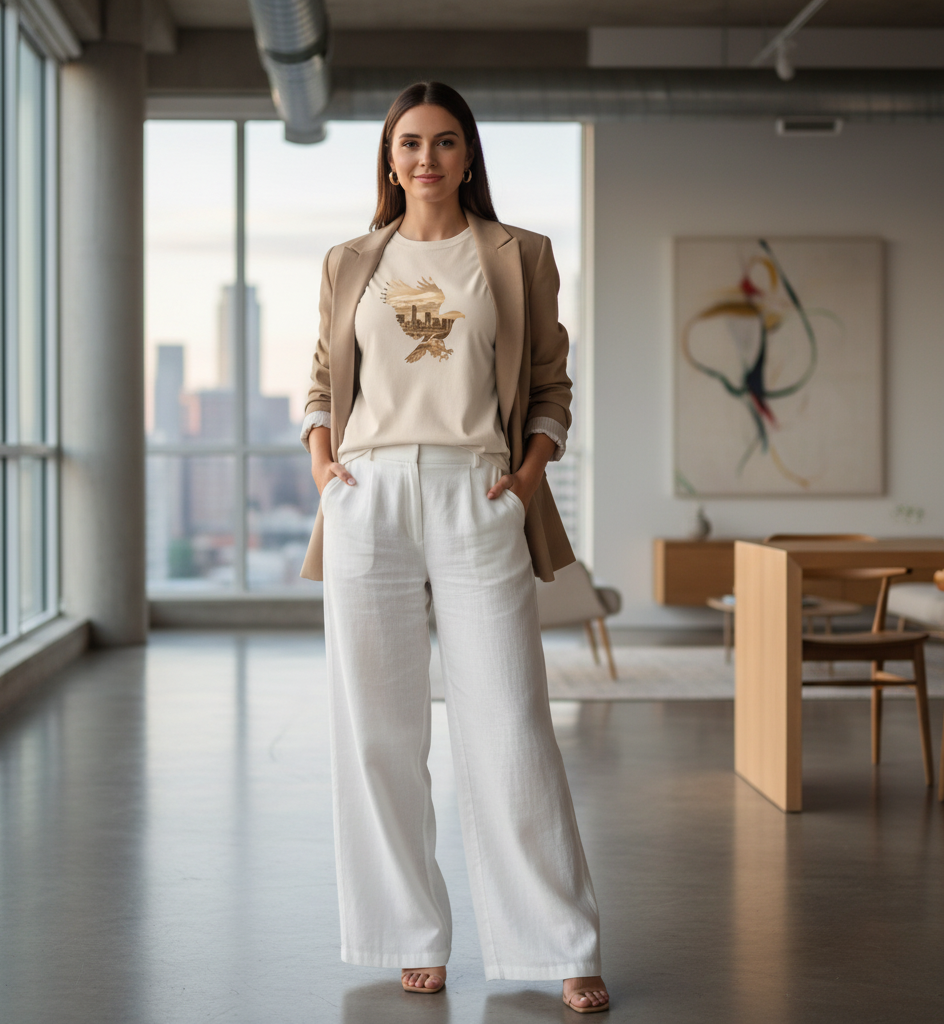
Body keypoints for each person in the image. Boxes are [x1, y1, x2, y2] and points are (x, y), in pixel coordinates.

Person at [299, 81, 609, 1014]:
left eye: (441, 142)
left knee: (510, 721)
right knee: (376, 729)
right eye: (408, 144)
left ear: (468, 153)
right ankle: (406, 933)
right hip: (368, 493)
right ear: (388, 160)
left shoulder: (517, 256)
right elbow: (321, 378)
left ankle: (562, 941)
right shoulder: (351, 259)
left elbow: (552, 385)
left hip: (478, 490)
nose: (424, 159)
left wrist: (527, 476)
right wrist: (324, 466)